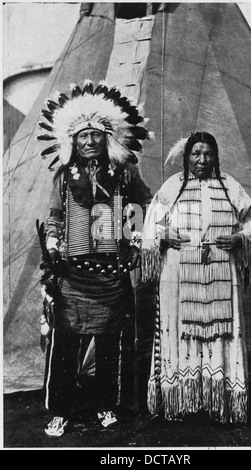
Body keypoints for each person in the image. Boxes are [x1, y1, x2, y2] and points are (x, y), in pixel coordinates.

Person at [37, 80, 152, 437]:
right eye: (83, 136)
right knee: (65, 345)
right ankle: (61, 410)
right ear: (73, 140)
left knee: (109, 346)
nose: (89, 142)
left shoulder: (125, 174)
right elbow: (55, 217)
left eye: (96, 135)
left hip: (110, 274)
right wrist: (53, 245)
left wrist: (134, 240)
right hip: (71, 275)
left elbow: (142, 204)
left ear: (108, 138)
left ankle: (105, 405)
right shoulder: (63, 176)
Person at [141, 131, 251, 424]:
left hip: (221, 268)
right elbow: (150, 222)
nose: (202, 160)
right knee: (183, 330)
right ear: (187, 157)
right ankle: (183, 402)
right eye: (196, 154)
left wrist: (239, 238)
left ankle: (219, 401)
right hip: (179, 271)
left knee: (222, 332)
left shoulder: (230, 185)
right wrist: (163, 234)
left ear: (216, 157)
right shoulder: (173, 186)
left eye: (208, 154)